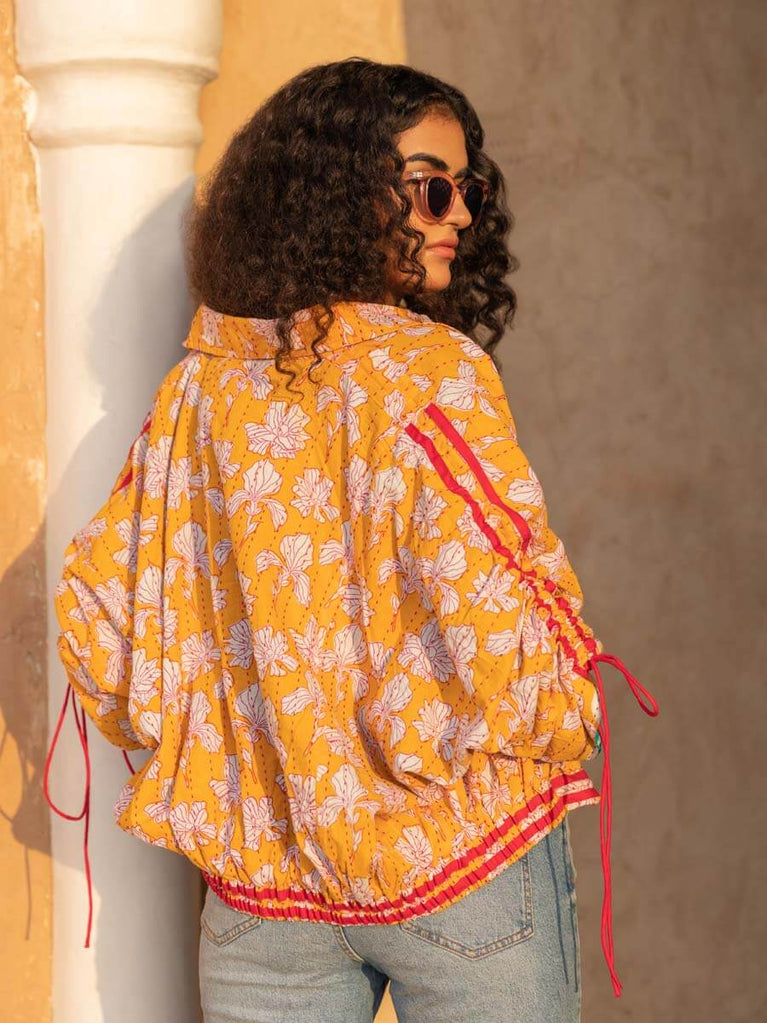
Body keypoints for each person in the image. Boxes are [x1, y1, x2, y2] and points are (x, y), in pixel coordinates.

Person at [45, 57, 658, 1022]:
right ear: (339, 191)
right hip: (458, 858)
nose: (460, 214)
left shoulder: (201, 385)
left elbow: (98, 602)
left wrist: (213, 756)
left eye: (467, 188)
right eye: (430, 187)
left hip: (268, 888)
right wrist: (565, 706)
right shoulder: (429, 370)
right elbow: (503, 582)